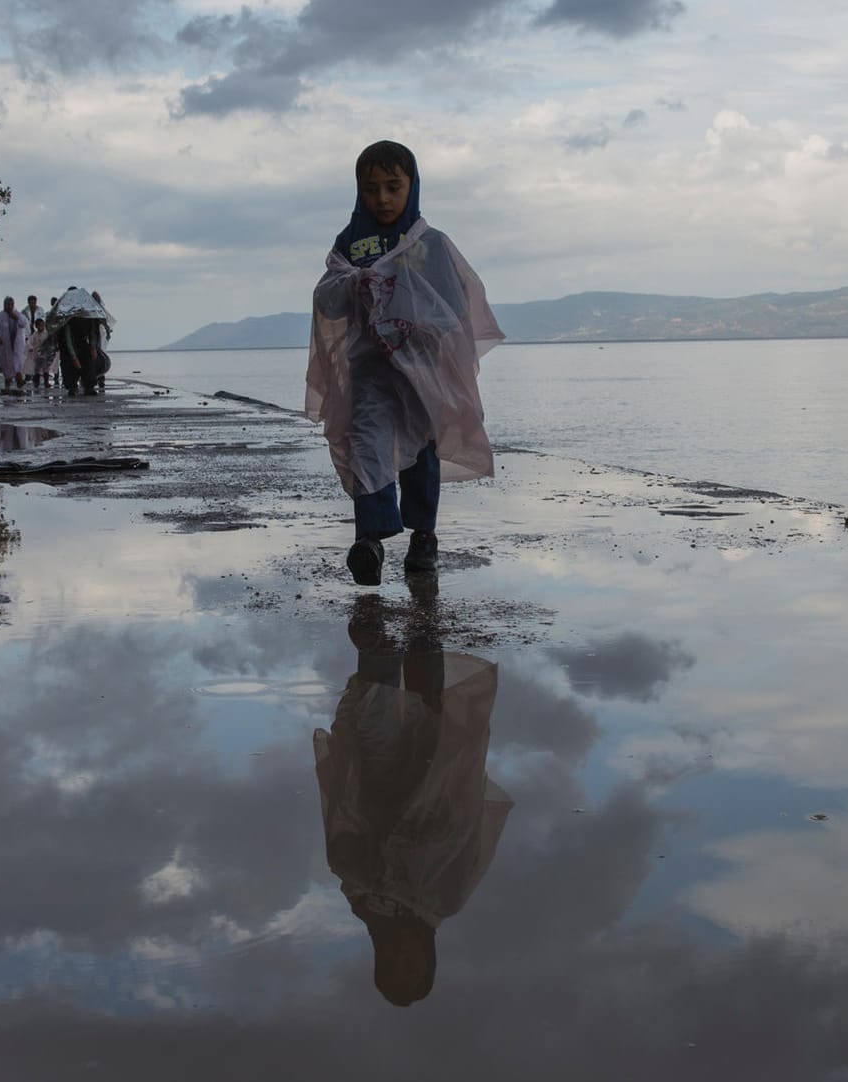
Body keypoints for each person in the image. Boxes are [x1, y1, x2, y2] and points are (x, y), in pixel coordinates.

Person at [307, 140, 503, 586]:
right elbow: (328, 299)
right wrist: (355, 284)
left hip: (421, 373)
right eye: (371, 188)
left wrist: (415, 318)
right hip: (370, 371)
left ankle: (423, 537)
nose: (382, 199)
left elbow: (453, 310)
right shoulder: (351, 244)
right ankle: (370, 541)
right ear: (358, 191)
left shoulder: (429, 245)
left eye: (393, 187)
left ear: (412, 186)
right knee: (367, 443)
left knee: (420, 454)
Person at [314, 599, 510, 1007]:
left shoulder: (360, 899)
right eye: (411, 966)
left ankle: (378, 643)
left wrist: (366, 864)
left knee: (376, 720)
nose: (399, 957)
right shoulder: (444, 899)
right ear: (426, 958)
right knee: (430, 710)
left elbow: (345, 838)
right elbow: (460, 833)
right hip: (428, 790)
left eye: (391, 966)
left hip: (377, 788)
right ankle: (424, 610)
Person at [0, 297, 29, 389]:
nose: (9, 306)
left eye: (11, 304)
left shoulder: (18, 314)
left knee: (17, 362)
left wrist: (16, 317)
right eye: (7, 304)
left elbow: (24, 324)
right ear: (4, 305)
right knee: (6, 364)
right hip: (5, 344)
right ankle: (8, 382)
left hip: (17, 344)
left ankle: (19, 380)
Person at [24, 317, 50, 388]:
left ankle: (46, 382)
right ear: (36, 326)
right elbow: (29, 341)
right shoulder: (35, 334)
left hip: (45, 354)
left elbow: (50, 342)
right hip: (37, 355)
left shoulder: (47, 333)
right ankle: (36, 382)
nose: (41, 327)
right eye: (39, 326)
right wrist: (30, 347)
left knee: (46, 368)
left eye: (42, 325)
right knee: (37, 369)